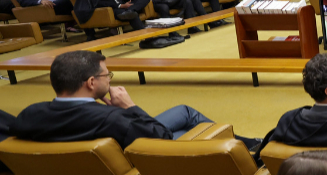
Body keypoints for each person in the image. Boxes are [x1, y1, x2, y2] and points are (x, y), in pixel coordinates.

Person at [11, 51, 215, 145]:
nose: (109, 80)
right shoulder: (112, 118)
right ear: (91, 82)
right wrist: (130, 107)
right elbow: (161, 137)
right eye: (106, 76)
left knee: (184, 112)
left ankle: (247, 144)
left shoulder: (29, 114)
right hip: (144, 157)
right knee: (183, 130)